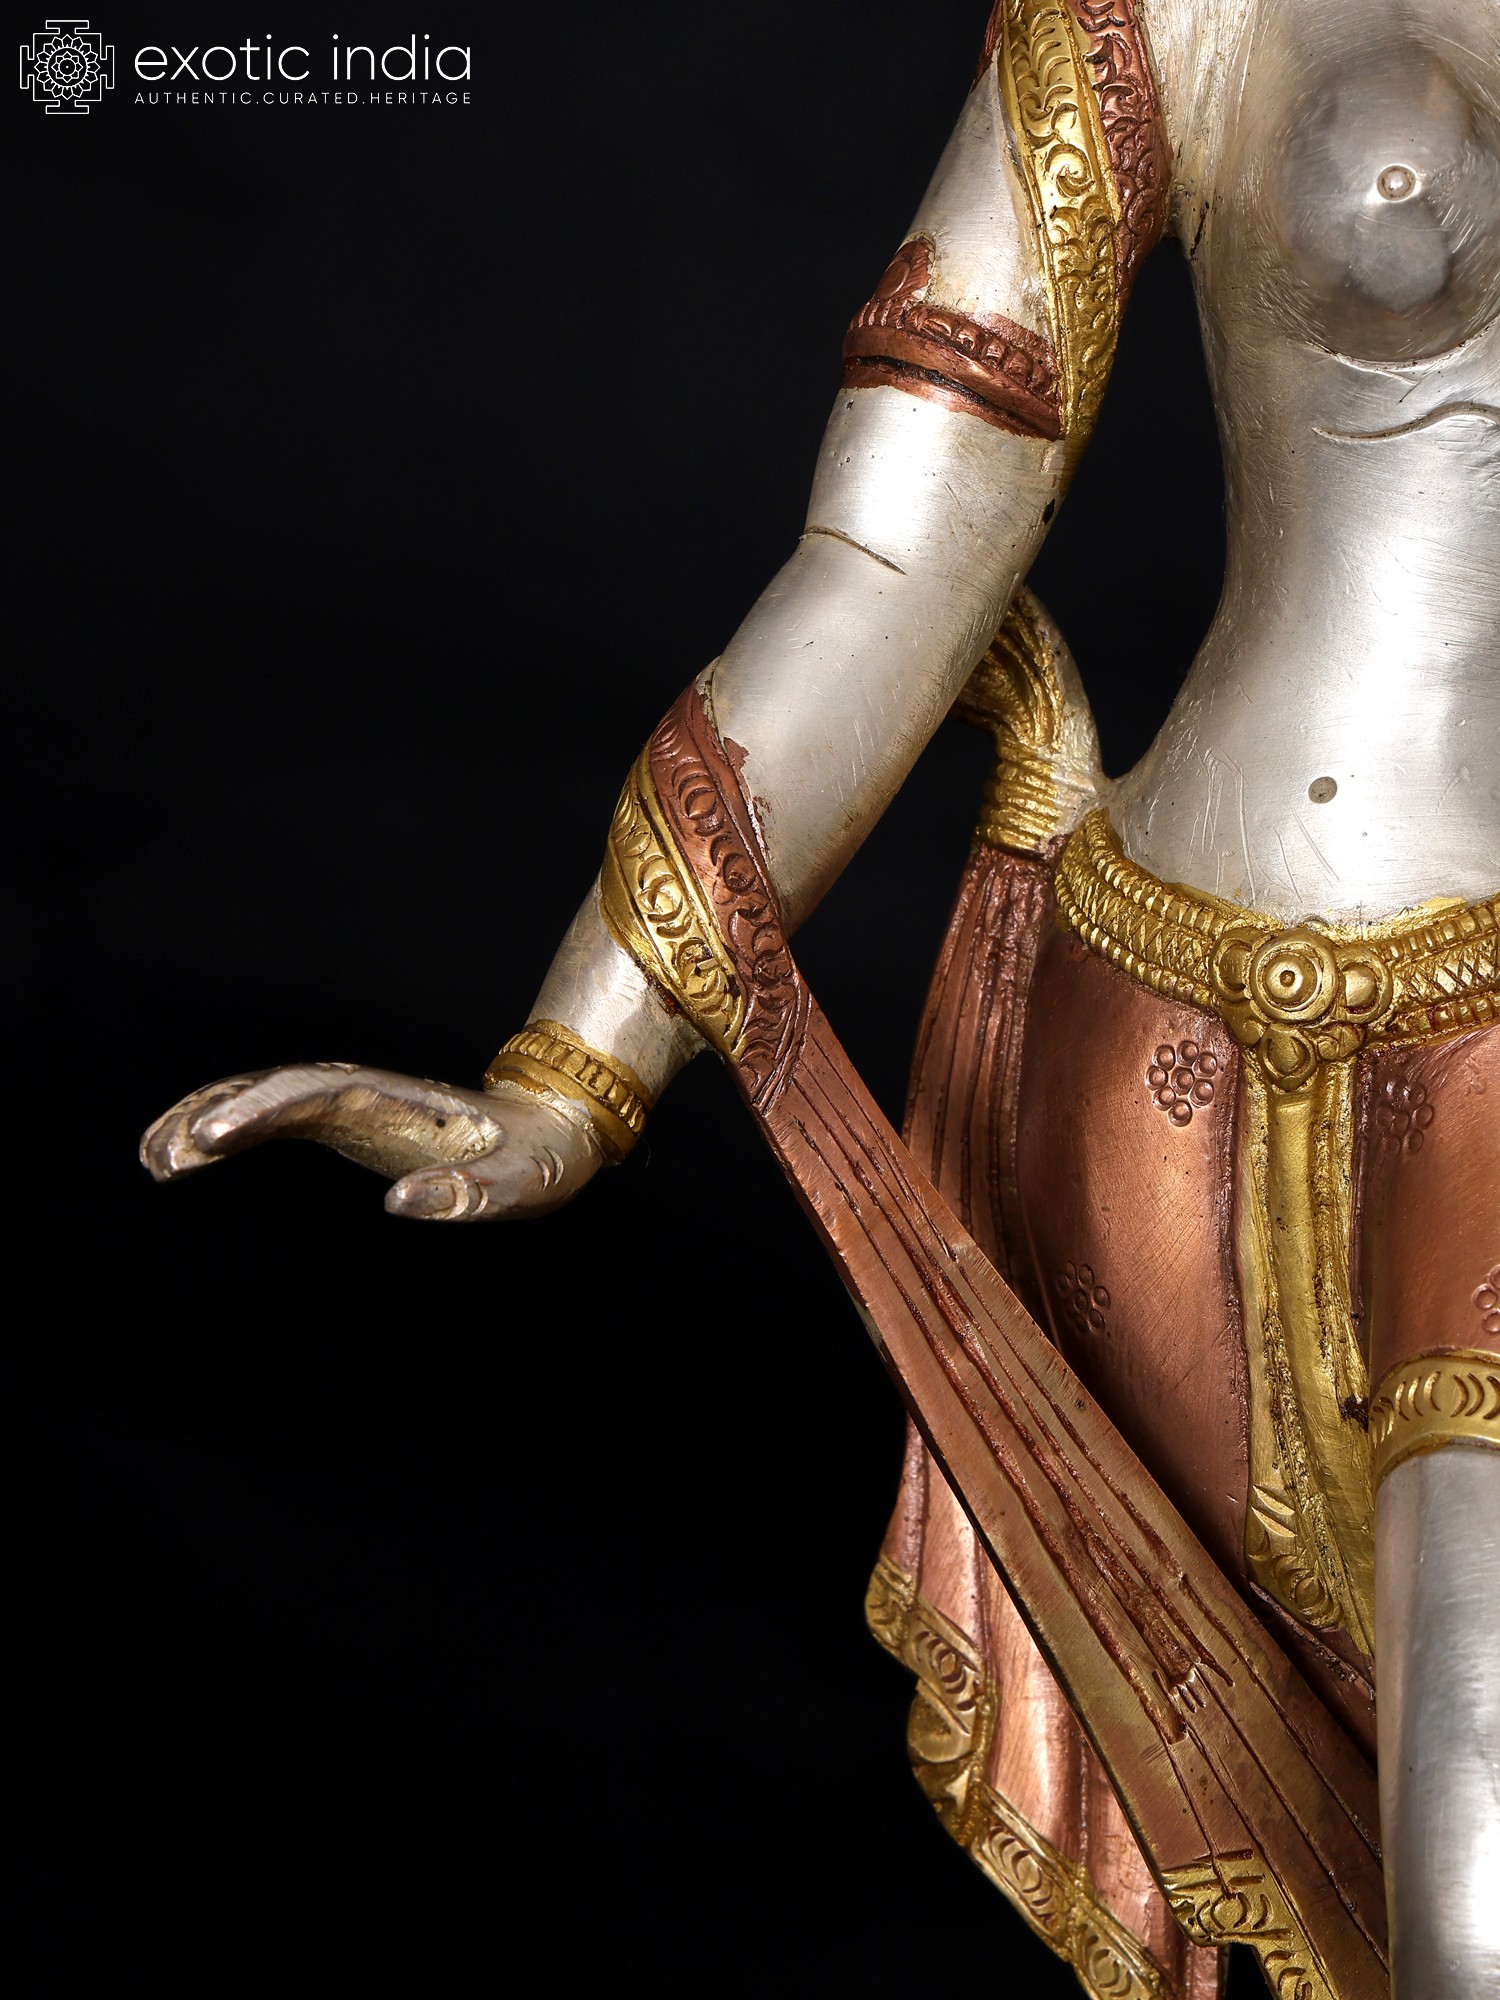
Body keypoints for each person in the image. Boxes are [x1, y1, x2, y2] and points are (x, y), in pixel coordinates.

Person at [144, 2, 1499, 1993]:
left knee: (1469, 1903)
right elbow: (899, 548)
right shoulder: (1171, 17)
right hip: (1189, 1062)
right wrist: (578, 1056)